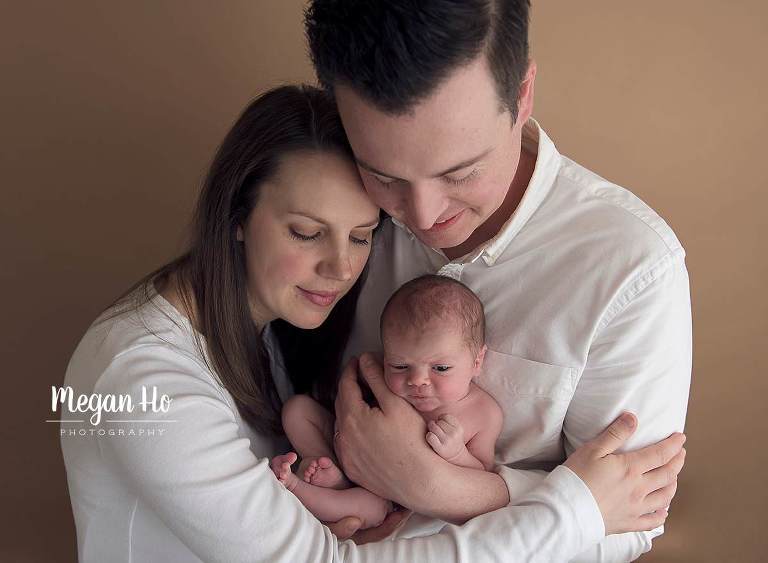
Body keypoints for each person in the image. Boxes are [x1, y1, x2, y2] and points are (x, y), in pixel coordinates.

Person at [60, 83, 685, 563]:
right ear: (238, 214)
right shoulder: (137, 379)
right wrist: (575, 510)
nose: (339, 266)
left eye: (361, 237)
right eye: (306, 232)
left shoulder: (275, 327)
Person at [305, 1, 692, 561]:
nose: (422, 213)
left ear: (523, 95)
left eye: (460, 173)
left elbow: (630, 521)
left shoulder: (630, 268)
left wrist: (435, 485)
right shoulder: (331, 194)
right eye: (384, 176)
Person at [272, 275, 502, 528]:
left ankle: (296, 487)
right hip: (348, 449)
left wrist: (457, 453)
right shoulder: (382, 377)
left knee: (366, 508)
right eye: (400, 365)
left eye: (441, 367)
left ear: (477, 362)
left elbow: (482, 471)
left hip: (387, 495)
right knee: (297, 410)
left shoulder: (483, 413)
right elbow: (350, 401)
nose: (417, 380)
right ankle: (322, 464)